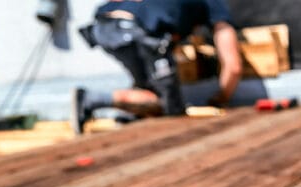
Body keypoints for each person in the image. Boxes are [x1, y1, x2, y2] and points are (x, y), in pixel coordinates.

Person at [73, 0, 242, 133]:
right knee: (171, 107)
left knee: (147, 85)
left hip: (103, 26)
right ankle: (90, 99)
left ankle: (129, 112)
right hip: (136, 28)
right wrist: (220, 98)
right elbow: (233, 67)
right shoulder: (215, 3)